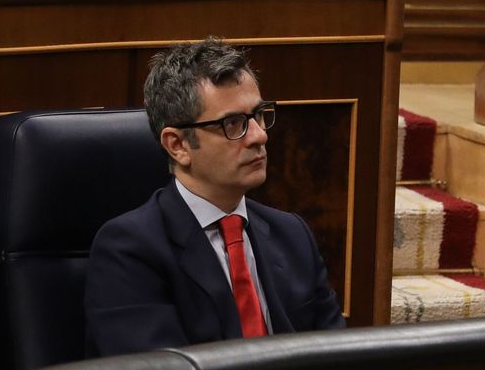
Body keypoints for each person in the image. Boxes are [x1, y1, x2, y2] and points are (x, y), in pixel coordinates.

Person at [85, 37, 346, 357]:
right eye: (233, 123)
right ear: (178, 145)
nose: (260, 135)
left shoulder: (292, 235)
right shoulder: (129, 250)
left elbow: (339, 353)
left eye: (259, 115)